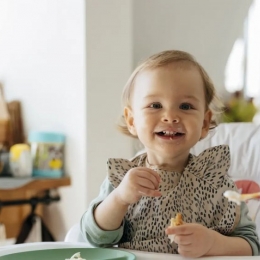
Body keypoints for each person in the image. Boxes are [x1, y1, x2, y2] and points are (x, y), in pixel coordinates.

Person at [80, 50, 260, 257]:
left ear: (204, 122)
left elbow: (251, 246)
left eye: (185, 106)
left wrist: (213, 243)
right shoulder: (123, 178)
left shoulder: (215, 180)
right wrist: (119, 198)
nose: (170, 116)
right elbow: (93, 236)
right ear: (132, 121)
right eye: (155, 105)